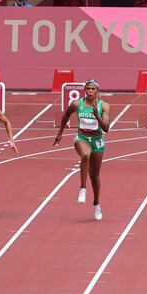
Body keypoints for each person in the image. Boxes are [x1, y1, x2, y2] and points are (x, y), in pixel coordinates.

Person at [53, 79, 111, 220]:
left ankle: (96, 203)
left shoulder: (104, 106)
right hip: (82, 137)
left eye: (93, 89)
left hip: (97, 140)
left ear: (98, 91)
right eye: (88, 89)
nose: (90, 91)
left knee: (95, 176)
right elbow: (66, 115)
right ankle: (83, 189)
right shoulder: (77, 104)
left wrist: (97, 115)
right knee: (85, 155)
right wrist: (60, 133)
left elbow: (106, 128)